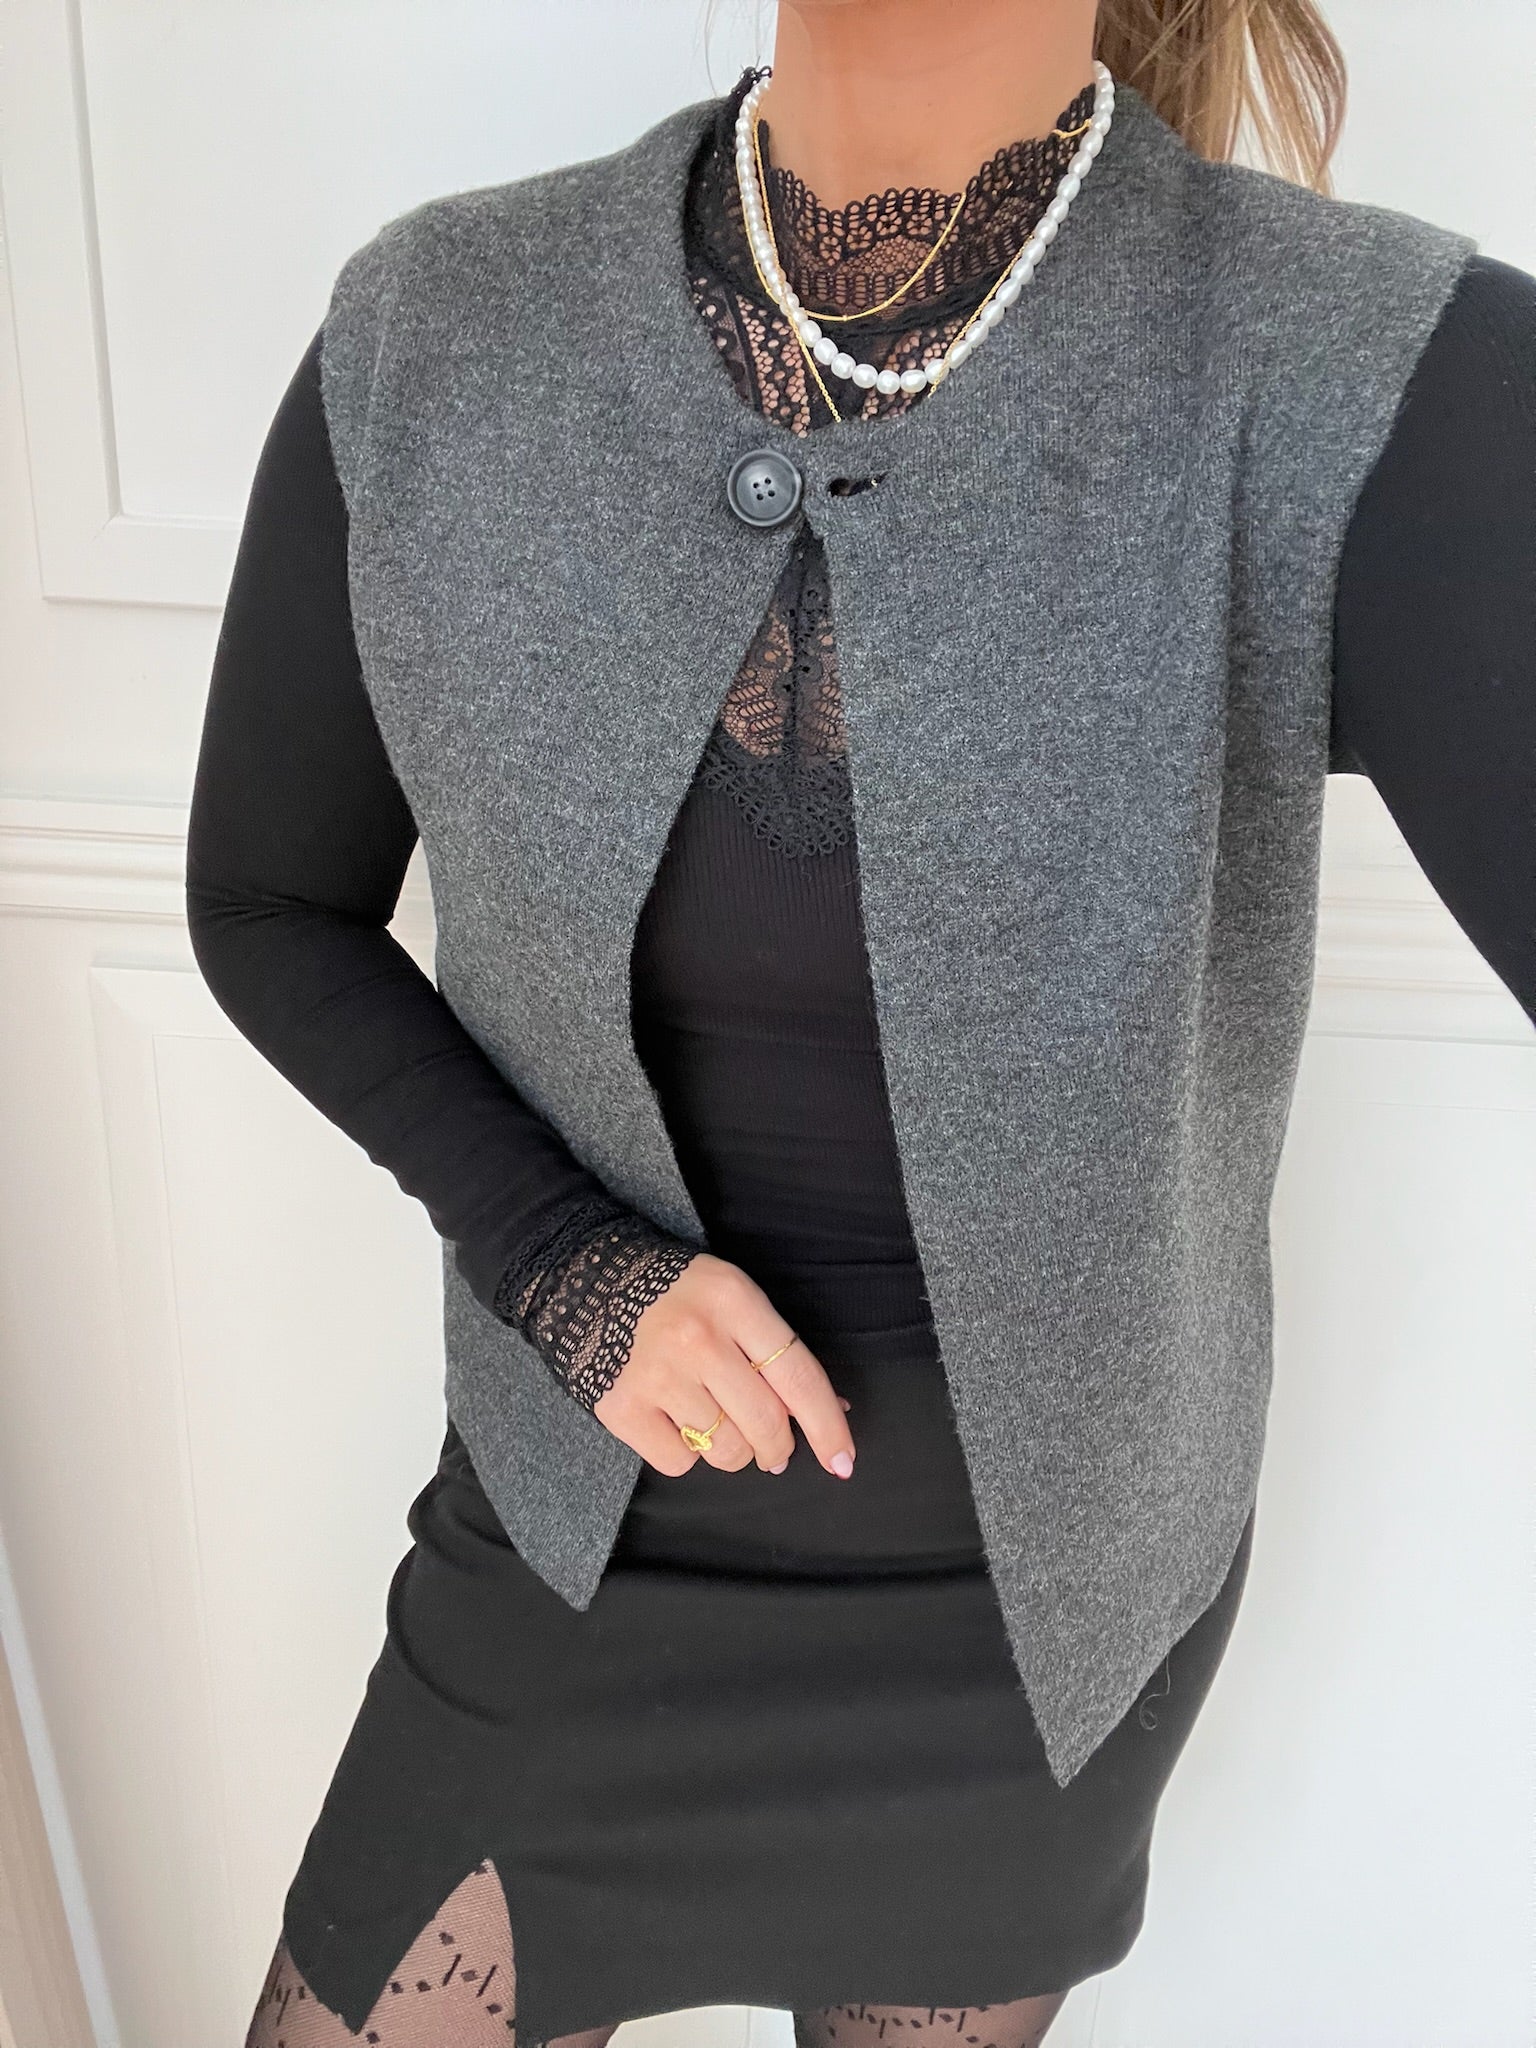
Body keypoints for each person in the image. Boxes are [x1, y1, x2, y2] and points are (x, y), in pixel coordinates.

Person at [185, 3, 1536, 2044]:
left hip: (1026, 1638)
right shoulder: (433, 330)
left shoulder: (1362, 368)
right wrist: (567, 1269)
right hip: (562, 1547)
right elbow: (268, 903)